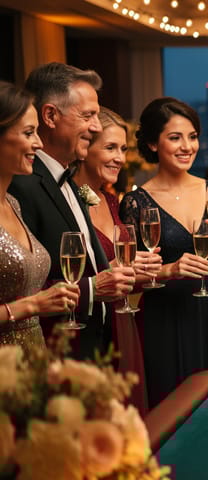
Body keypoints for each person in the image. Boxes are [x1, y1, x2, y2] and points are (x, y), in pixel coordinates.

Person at [120, 97, 208, 408]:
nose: (187, 146)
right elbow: (131, 278)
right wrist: (170, 270)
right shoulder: (136, 203)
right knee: (168, 406)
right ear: (152, 143)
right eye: (175, 138)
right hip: (163, 316)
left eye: (192, 137)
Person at [9, 62, 134, 361]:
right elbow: (22, 284)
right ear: (50, 116)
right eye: (88, 115)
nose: (96, 126)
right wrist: (93, 289)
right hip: (54, 353)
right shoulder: (21, 186)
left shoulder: (69, 179)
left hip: (95, 344)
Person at [73, 106, 162, 414]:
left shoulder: (111, 200)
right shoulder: (69, 204)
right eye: (110, 147)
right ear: (84, 148)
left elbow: (121, 272)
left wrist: (148, 271)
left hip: (123, 320)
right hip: (91, 328)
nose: (120, 158)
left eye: (123, 149)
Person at [0, 81, 80, 348]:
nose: (39, 143)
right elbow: (29, 302)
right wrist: (32, 304)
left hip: (34, 358)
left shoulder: (13, 203)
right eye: (29, 132)